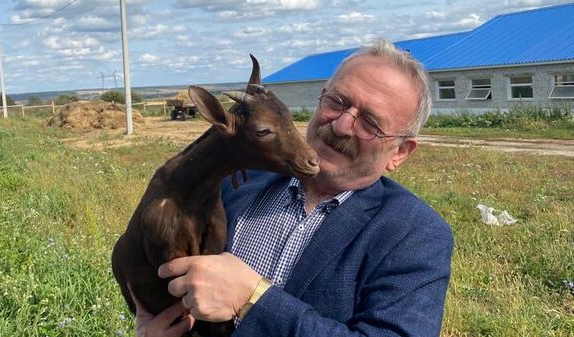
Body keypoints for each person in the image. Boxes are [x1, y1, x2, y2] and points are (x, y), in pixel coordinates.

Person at [132, 39, 454, 337]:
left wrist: (252, 298)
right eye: (337, 101)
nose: (341, 125)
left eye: (370, 123)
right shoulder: (233, 185)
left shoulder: (416, 235)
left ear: (399, 152)